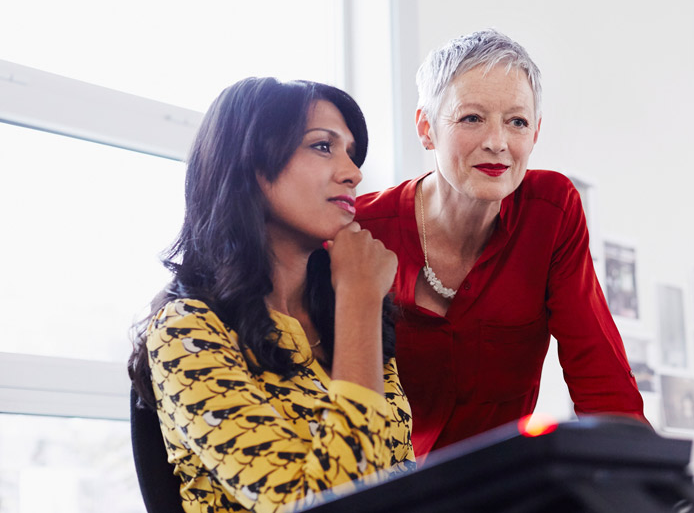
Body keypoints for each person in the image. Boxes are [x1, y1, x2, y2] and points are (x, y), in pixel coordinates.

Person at [127, 77, 414, 513]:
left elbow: (399, 480)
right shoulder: (185, 330)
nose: (353, 173)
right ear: (252, 165)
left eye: (351, 154)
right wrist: (359, 298)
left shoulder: (343, 315)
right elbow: (314, 505)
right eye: (323, 146)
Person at [355, 29, 645, 457]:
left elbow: (598, 370)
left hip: (499, 488)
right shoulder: (360, 231)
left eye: (517, 122)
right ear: (426, 128)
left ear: (536, 132)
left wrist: (639, 480)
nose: (498, 142)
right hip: (386, 491)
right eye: (472, 118)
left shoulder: (552, 212)